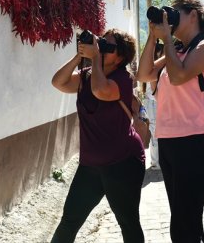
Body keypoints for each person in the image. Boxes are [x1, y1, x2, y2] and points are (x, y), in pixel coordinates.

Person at [136, 0, 204, 243]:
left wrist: (166, 41)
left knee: (184, 220)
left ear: (193, 15)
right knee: (183, 216)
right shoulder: (178, 50)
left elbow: (178, 76)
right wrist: (153, 37)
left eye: (174, 14)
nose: (169, 19)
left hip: (196, 139)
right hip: (169, 139)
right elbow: (143, 73)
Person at [50, 29, 145, 243]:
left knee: (128, 223)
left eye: (108, 48)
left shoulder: (122, 79)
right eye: (101, 44)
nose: (101, 50)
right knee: (70, 220)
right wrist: (79, 56)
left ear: (121, 57)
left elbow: (101, 91)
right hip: (90, 165)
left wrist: (94, 58)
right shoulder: (86, 75)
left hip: (123, 162)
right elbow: (59, 82)